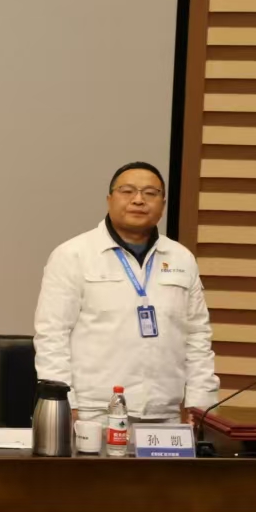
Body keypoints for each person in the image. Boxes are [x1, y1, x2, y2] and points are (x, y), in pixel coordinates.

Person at [35, 161, 219, 422]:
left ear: (163, 204)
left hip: (164, 415)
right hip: (93, 412)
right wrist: (63, 404)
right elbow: (52, 335)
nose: (138, 200)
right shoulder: (73, 255)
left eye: (150, 193)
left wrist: (201, 406)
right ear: (109, 199)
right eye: (127, 191)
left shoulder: (181, 258)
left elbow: (197, 336)